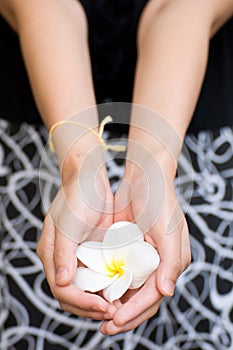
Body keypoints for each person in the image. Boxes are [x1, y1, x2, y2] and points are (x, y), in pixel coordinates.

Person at [0, 0, 233, 339]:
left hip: (187, 132)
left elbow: (184, 7)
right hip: (40, 130)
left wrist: (152, 168)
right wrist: (79, 165)